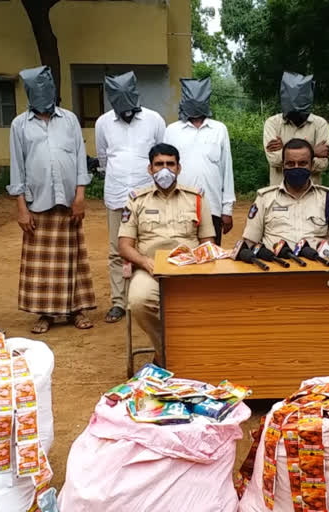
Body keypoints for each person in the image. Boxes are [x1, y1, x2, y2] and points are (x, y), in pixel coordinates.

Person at [7, 65, 95, 334]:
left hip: (69, 202)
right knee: (41, 267)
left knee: (73, 259)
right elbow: (17, 167)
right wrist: (22, 208)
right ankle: (45, 313)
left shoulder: (69, 120)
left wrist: (80, 195)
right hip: (37, 202)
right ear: (29, 93)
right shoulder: (19, 125)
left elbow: (80, 159)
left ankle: (76, 310)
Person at [118, 143, 215, 361]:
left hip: (189, 268)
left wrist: (196, 263)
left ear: (179, 168)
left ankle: (188, 353)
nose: (165, 169)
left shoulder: (196, 198)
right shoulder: (136, 200)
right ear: (150, 169)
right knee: (139, 301)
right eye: (159, 164)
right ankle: (167, 353)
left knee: (210, 304)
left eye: (170, 164)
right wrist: (144, 262)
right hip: (150, 268)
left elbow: (208, 242)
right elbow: (124, 245)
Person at [95, 71, 165, 324]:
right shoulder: (103, 123)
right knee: (117, 251)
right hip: (116, 194)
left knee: (148, 246)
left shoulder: (154, 119)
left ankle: (149, 297)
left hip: (147, 196)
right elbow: (103, 157)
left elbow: (160, 154)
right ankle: (119, 302)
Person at [164, 77, 235, 244]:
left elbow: (227, 170)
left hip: (212, 206)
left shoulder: (219, 129)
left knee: (210, 256)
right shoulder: (172, 130)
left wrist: (227, 209)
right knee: (180, 253)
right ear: (183, 101)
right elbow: (164, 169)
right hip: (178, 206)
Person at [263, 72, 329, 186]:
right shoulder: (272, 123)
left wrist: (284, 151)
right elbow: (274, 160)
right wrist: (313, 152)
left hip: (311, 195)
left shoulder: (320, 124)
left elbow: (323, 164)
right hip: (279, 195)